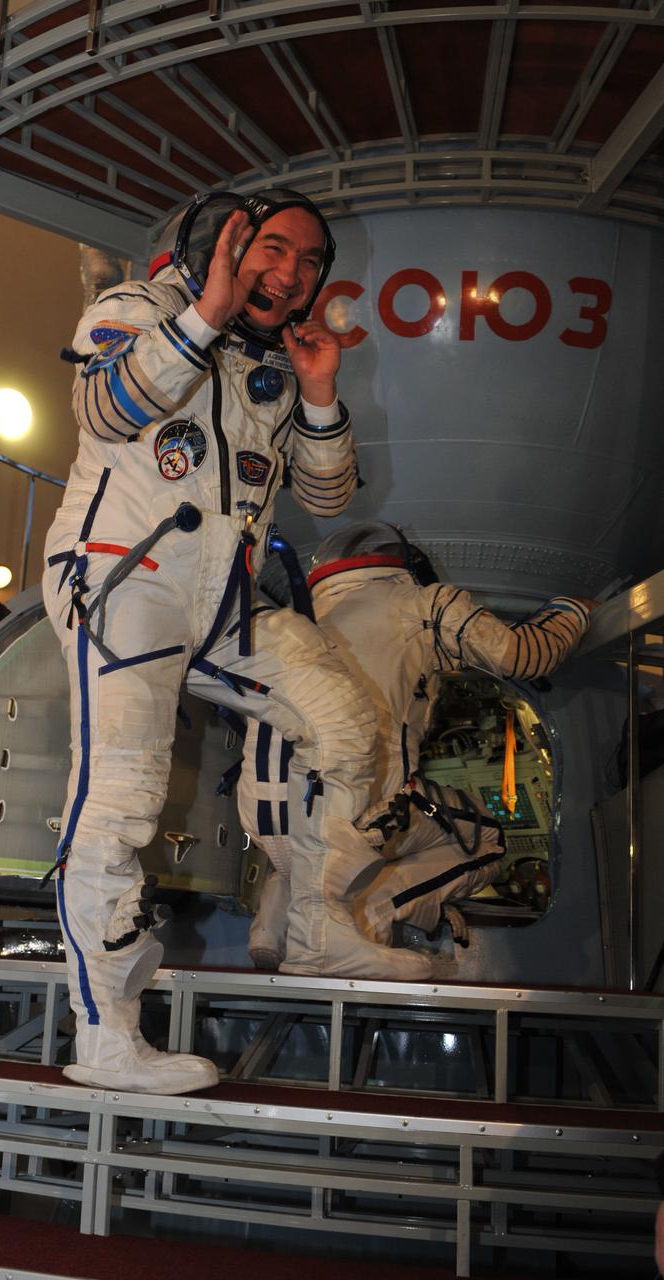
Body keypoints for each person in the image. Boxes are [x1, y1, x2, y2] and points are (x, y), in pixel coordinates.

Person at [42, 191, 431, 1097]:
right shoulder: (136, 310)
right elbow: (103, 411)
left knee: (348, 724)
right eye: (273, 249)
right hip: (122, 576)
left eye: (309, 263)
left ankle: (317, 931)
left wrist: (323, 389)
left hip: (220, 595)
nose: (290, 274)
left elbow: (329, 501)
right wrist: (206, 312)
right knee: (121, 799)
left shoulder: (279, 367)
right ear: (220, 242)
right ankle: (106, 1038)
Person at [243, 522, 594, 970]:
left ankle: (271, 928)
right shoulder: (419, 604)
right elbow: (521, 655)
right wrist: (575, 610)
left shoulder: (297, 619)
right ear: (408, 568)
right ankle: (372, 915)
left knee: (306, 809)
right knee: (486, 834)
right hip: (350, 812)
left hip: (262, 816)